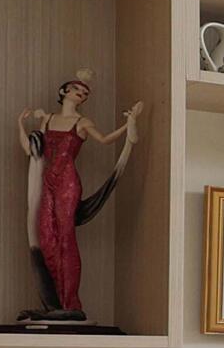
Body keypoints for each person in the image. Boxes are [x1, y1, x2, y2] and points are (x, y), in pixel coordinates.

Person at [14, 71, 142, 318]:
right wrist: (20, 124)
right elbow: (31, 150)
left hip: (67, 185)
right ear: (63, 92)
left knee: (66, 238)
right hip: (47, 182)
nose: (80, 95)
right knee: (46, 238)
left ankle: (71, 303)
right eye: (76, 90)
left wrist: (129, 125)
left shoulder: (82, 123)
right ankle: (53, 303)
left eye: (84, 94)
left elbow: (104, 140)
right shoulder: (48, 119)